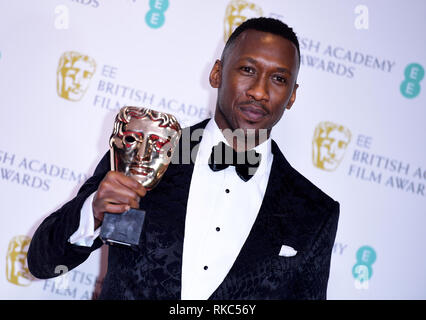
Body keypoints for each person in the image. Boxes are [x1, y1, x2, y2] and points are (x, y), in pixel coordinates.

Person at [28, 17, 339, 300]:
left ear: (292, 96)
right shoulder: (144, 151)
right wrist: (93, 212)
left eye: (278, 79)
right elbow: (44, 263)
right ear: (217, 73)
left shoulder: (313, 211)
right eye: (247, 70)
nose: (259, 91)